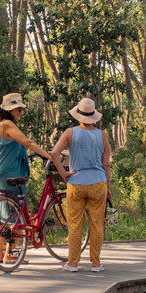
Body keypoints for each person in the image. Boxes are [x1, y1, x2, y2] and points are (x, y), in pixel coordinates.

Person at [0, 93, 51, 264]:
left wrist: (4, 155)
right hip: (10, 173)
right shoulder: (8, 125)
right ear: (10, 110)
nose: (21, 112)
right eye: (19, 109)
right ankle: (10, 254)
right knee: (15, 212)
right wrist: (48, 155)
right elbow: (28, 143)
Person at [50, 97, 112, 272]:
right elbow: (106, 164)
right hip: (98, 183)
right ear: (94, 116)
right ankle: (96, 263)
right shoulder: (102, 135)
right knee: (97, 224)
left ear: (78, 115)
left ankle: (72, 263)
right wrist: (108, 187)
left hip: (76, 183)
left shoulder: (70, 133)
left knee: (75, 224)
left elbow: (55, 153)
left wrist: (63, 173)